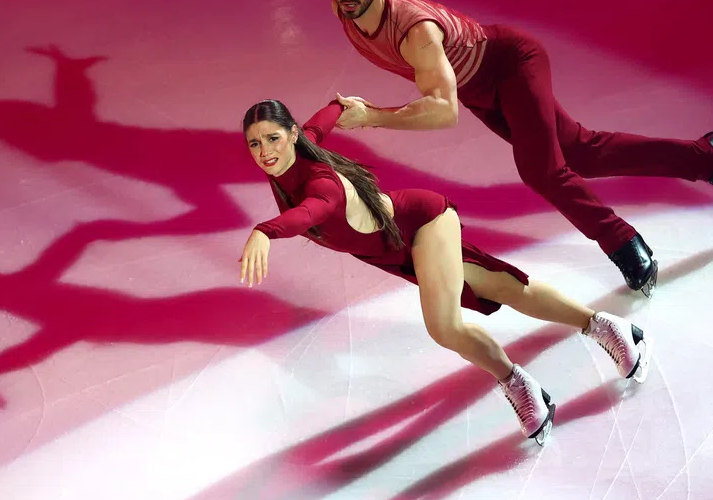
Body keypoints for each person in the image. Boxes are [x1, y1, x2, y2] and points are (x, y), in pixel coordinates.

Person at [320, 0, 713, 297]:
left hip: (510, 64)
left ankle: (624, 243)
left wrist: (371, 116)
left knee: (541, 169)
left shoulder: (417, 33)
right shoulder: (351, 7)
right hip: (482, 91)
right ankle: (708, 156)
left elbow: (443, 109)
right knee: (582, 152)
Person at [239, 98, 652, 445]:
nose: (264, 152)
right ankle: (608, 327)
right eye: (254, 143)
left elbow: (311, 213)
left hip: (422, 223)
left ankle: (519, 385)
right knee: (505, 287)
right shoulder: (297, 154)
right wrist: (341, 106)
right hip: (398, 250)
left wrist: (265, 231)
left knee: (444, 326)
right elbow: (319, 125)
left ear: (291, 134)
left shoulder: (318, 184)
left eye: (273, 138)